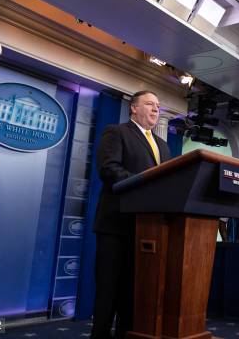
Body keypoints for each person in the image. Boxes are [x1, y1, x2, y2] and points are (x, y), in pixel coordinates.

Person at [91, 90, 171, 339]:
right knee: (108, 291)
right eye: (149, 103)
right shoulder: (117, 132)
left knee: (131, 292)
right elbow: (109, 169)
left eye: (158, 105)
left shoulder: (163, 146)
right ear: (133, 108)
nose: (156, 109)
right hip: (116, 225)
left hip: (147, 229)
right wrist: (145, 184)